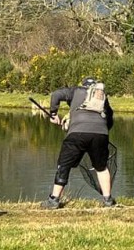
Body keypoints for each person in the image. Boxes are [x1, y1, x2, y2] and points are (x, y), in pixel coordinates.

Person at [41, 77, 116, 208]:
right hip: (101, 134)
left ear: (84, 85)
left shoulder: (76, 90)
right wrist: (100, 131)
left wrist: (53, 114)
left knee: (64, 165)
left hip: (77, 134)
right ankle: (108, 200)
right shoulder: (102, 97)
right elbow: (110, 118)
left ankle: (53, 200)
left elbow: (56, 94)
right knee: (101, 167)